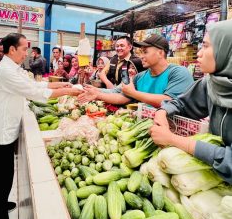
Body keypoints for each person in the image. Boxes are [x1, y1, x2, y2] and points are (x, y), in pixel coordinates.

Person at [0, 33, 83, 219]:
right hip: (1, 131)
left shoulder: (12, 67)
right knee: (4, 177)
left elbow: (37, 85)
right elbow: (34, 92)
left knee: (2, 175)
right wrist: (71, 92)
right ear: (12, 49)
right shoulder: (5, 71)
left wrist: (60, 85)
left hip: (6, 126)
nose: (27, 53)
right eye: (24, 49)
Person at [151, 20, 232, 184]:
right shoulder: (211, 83)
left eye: (206, 46)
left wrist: (174, 140)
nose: (199, 54)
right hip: (217, 175)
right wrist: (162, 111)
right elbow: (181, 104)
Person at [78, 34, 194, 108]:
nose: (141, 56)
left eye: (145, 52)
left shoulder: (179, 73)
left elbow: (169, 101)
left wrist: (133, 93)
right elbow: (120, 94)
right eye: (141, 52)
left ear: (160, 53)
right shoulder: (140, 77)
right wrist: (97, 93)